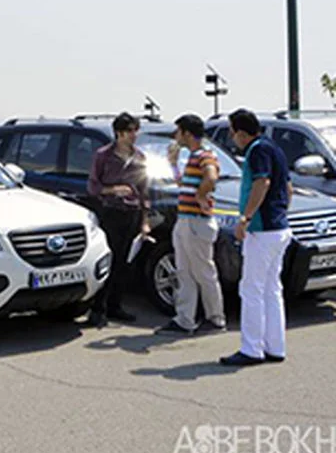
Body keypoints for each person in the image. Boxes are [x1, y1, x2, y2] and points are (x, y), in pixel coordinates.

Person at [221, 109, 293, 367]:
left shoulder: (257, 151)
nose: (232, 137)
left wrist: (246, 218)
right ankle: (275, 345)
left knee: (251, 289)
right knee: (272, 289)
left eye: (232, 131)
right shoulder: (275, 148)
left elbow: (261, 182)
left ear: (241, 132)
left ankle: (251, 349)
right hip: (279, 228)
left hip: (262, 231)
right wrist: (281, 211)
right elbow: (287, 186)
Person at [157, 114, 224, 335]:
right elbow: (182, 183)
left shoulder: (205, 155)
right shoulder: (193, 157)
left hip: (196, 221)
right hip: (186, 220)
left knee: (203, 271)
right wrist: (173, 164)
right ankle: (185, 319)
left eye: (178, 132)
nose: (176, 137)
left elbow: (211, 177)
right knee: (184, 272)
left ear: (186, 133)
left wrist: (201, 197)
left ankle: (215, 319)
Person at [87, 112, 150, 327]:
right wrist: (113, 190)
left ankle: (116, 306)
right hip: (110, 212)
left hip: (131, 214)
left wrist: (144, 221)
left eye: (135, 130)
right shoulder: (103, 155)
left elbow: (144, 192)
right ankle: (97, 308)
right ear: (119, 133)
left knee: (124, 262)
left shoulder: (140, 157)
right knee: (108, 260)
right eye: (129, 131)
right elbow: (93, 187)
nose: (134, 135)